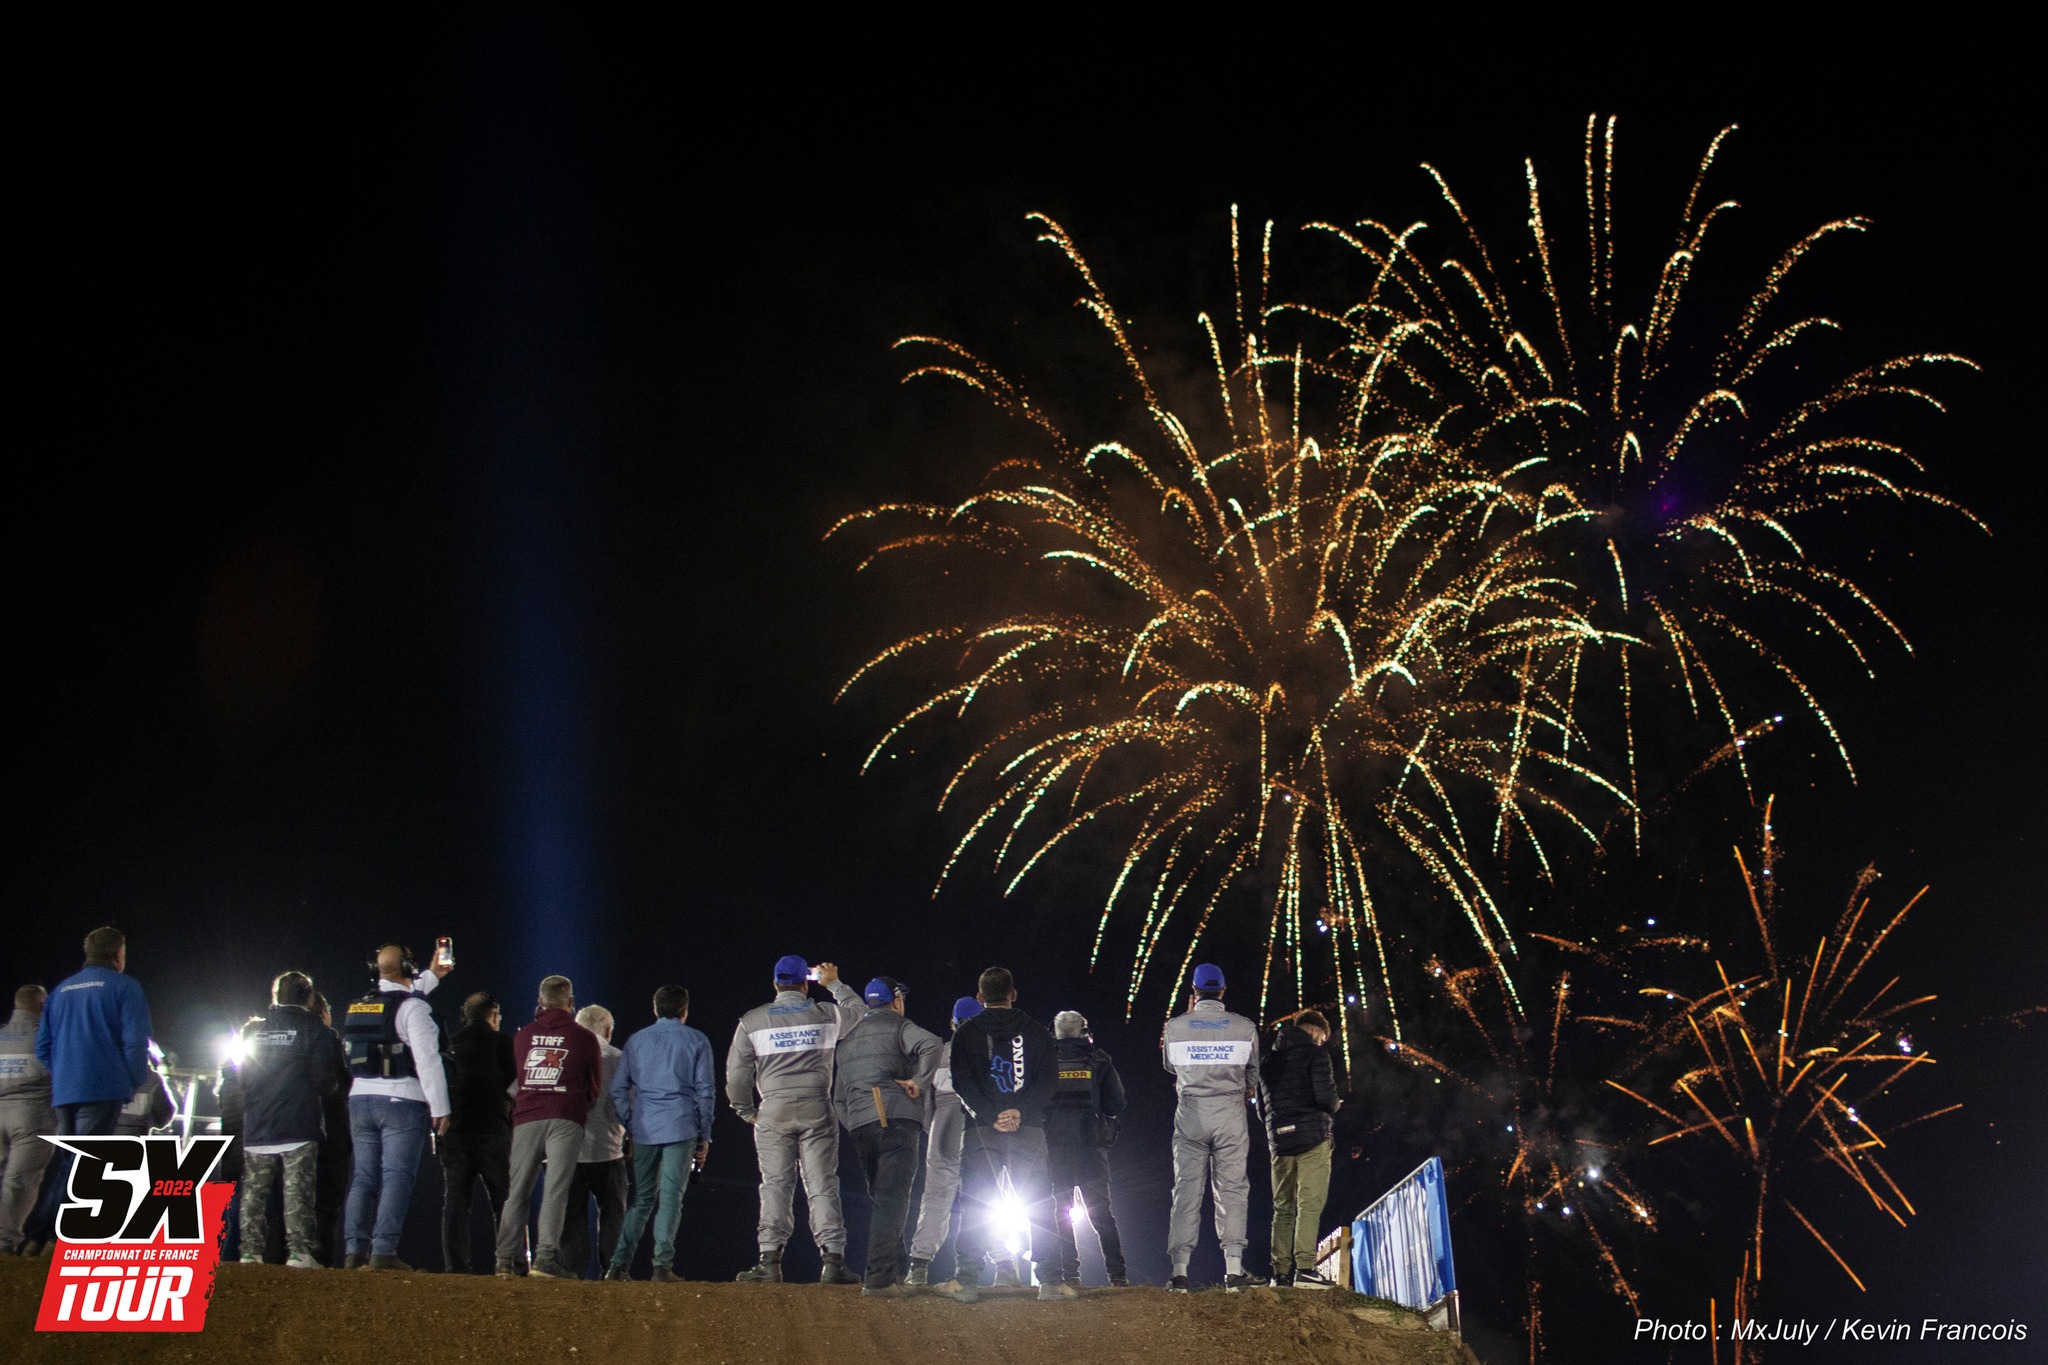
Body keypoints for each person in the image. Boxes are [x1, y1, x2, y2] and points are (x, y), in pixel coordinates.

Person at [726, 956, 863, 1285]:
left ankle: (769, 1261)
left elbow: (736, 1076)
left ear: (775, 984)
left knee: (775, 1184)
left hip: (773, 1109)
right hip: (817, 1105)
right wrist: (833, 984)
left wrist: (746, 1111)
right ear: (805, 983)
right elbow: (860, 1012)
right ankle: (833, 1261)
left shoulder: (752, 1021)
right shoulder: (826, 1014)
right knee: (822, 1184)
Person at [937, 966, 1060, 1303]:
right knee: (1038, 1202)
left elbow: (961, 1082)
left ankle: (967, 1280)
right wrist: (1021, 1110)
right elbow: (1049, 1081)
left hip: (982, 1131)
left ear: (980, 998)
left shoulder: (965, 1034)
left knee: (976, 1200)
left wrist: (990, 1115)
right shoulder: (1038, 1033)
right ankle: (1051, 1282)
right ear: (1013, 994)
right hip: (1029, 1129)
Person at [28, 927, 153, 1253]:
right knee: (82, 1164)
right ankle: (47, 1235)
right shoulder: (126, 987)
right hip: (103, 1087)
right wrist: (132, 1079)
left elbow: (42, 1047)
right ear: (118, 954)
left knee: (70, 1160)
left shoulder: (59, 991)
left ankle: (40, 1237)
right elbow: (135, 1040)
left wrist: (67, 1072)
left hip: (66, 1090)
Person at [341, 941, 452, 1270]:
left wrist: (433, 975)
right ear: (408, 968)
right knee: (396, 1176)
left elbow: (398, 999)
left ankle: (354, 1252)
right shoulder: (414, 1009)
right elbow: (428, 1060)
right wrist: (440, 1107)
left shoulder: (359, 1006)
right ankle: (383, 1252)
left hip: (359, 1099)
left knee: (362, 1178)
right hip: (402, 1101)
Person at [830, 976, 942, 1298]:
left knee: (882, 1200)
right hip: (897, 1120)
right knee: (892, 1200)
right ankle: (878, 1279)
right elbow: (933, 1044)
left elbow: (838, 1098)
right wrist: (919, 1081)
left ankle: (896, 1268)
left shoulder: (847, 1040)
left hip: (862, 1128)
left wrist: (854, 1124)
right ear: (895, 1000)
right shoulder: (899, 1026)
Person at [604, 985, 714, 1283]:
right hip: (681, 1127)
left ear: (655, 1009)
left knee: (642, 1199)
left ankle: (618, 1266)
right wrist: (705, 1134)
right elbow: (705, 1092)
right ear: (684, 1010)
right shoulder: (697, 1040)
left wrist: (631, 1121)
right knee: (670, 1199)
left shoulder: (636, 1040)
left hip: (644, 1128)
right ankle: (661, 1267)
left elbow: (618, 1090)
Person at [495, 976, 601, 1279]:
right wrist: (577, 1105)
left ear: (540, 1002)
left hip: (527, 1117)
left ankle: (504, 1259)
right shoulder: (583, 1037)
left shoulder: (523, 1036)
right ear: (570, 1002)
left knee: (518, 1190)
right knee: (555, 1189)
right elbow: (592, 1085)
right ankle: (545, 1258)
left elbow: (516, 1077)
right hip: (566, 1116)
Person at [1162, 962, 1260, 1292]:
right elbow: (1252, 1075)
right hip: (1230, 1113)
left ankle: (1179, 1273)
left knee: (1186, 1189)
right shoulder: (1244, 1027)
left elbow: (1169, 1067)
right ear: (1223, 991)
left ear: (1193, 990)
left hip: (1190, 1114)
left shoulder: (1176, 1027)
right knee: (1232, 1188)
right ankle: (1234, 1270)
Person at [237, 970, 342, 1269]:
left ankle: (249, 1254)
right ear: (309, 996)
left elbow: (242, 1077)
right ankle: (298, 1253)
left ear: (276, 996)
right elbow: (325, 1081)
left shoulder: (253, 1031)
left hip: (258, 1124)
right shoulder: (315, 1030)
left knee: (254, 1194)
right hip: (299, 1123)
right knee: (298, 1192)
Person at [1045, 1010, 1129, 1288]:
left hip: (1055, 1148)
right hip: (1091, 1149)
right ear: (1084, 1032)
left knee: (1061, 1214)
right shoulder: (1099, 1061)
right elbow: (1116, 1103)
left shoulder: (1044, 1061)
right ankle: (1117, 1276)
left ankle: (1070, 1275)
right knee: (1102, 1215)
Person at [1259, 1009, 1342, 1288]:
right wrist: (1336, 1104)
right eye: (1322, 1038)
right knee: (1309, 1204)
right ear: (1316, 1032)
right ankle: (1305, 1268)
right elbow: (1326, 1098)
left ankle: (1279, 1273)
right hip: (1312, 1139)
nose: (1321, 1043)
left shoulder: (1268, 1061)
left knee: (1282, 1207)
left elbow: (1262, 1110)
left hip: (1280, 1141)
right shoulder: (1316, 1054)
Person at [905, 995, 981, 1287]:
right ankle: (1004, 1266)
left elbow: (925, 1107)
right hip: (981, 1131)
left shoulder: (936, 1056)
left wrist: (934, 1132)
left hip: (942, 1128)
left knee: (936, 1198)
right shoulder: (990, 1054)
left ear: (953, 1023)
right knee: (988, 1196)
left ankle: (919, 1266)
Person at [441, 991, 516, 1273]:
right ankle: (509, 1264)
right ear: (493, 1015)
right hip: (493, 1131)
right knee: (503, 1200)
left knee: (456, 1202)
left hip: (457, 1131)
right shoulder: (501, 1042)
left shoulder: (450, 1044)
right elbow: (513, 1086)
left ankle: (456, 1267)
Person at [560, 1004, 629, 1278]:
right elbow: (629, 1104)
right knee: (613, 1213)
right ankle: (614, 1271)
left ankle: (571, 1271)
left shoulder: (561, 1056)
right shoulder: (619, 1058)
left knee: (571, 1216)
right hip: (609, 1148)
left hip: (567, 1150)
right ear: (608, 1030)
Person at [0, 985, 55, 1256]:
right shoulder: (46, 1038)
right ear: (41, 1007)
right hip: (33, 1114)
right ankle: (4, 1243)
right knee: (20, 1181)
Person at [307, 991, 352, 1266]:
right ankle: (320, 1258)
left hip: (294, 1131)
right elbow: (343, 1085)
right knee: (327, 1203)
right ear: (325, 1015)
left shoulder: (284, 1042)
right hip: (331, 1132)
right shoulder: (331, 1042)